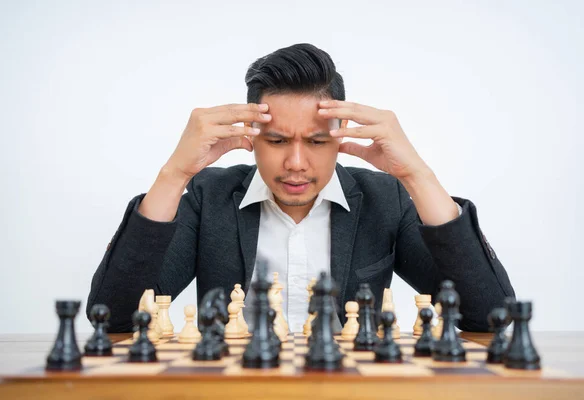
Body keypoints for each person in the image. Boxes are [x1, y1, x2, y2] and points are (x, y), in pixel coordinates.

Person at [87, 43, 514, 333]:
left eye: (315, 141)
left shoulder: (386, 199)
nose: (295, 163)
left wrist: (418, 176)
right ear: (251, 135)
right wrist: (173, 174)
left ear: (340, 135)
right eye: (275, 141)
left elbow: (490, 313)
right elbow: (113, 316)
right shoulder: (208, 195)